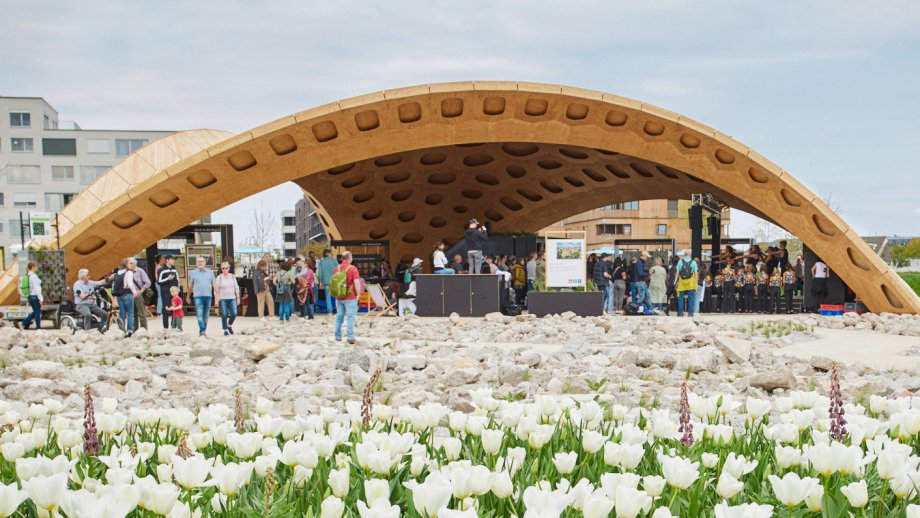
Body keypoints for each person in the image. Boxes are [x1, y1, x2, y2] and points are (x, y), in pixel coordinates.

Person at [332, 251, 361, 344]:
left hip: (339, 297)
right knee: (350, 317)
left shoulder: (336, 269)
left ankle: (337, 336)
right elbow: (356, 282)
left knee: (339, 317)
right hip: (350, 297)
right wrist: (358, 294)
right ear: (349, 258)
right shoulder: (353, 268)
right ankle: (350, 337)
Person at [186, 256, 217, 336]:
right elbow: (191, 285)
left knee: (206, 315)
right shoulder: (193, 273)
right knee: (200, 314)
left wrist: (218, 294)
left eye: (201, 261)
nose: (200, 263)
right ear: (196, 263)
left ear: (205, 262)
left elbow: (214, 283)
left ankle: (202, 331)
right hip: (197, 296)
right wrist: (188, 296)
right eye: (198, 261)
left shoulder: (210, 272)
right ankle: (202, 330)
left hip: (208, 296)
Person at [113, 258, 142, 337]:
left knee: (122, 314)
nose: (131, 264)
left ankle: (122, 331)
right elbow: (129, 283)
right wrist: (135, 292)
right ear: (126, 265)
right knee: (130, 314)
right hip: (127, 294)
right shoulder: (128, 272)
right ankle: (129, 331)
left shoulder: (118, 272)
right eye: (130, 263)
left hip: (119, 296)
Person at [216, 261, 240, 335]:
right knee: (224, 314)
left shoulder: (232, 276)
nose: (224, 270)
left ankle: (229, 325)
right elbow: (216, 289)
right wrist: (216, 300)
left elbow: (236, 287)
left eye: (226, 268)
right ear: (221, 269)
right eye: (223, 268)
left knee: (234, 313)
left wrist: (238, 297)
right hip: (223, 298)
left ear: (229, 268)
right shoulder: (219, 277)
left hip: (232, 298)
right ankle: (225, 329)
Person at [18, 261, 43, 330]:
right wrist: (41, 298)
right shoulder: (33, 276)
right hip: (35, 296)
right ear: (32, 267)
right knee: (37, 312)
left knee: (35, 312)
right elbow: (37, 288)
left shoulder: (27, 276)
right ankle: (38, 328)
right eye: (36, 267)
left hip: (30, 297)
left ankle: (23, 323)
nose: (36, 268)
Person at [157, 255, 179, 329]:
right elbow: (159, 281)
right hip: (165, 292)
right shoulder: (161, 270)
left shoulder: (174, 269)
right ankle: (165, 328)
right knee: (166, 309)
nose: (173, 261)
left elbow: (177, 280)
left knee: (174, 309)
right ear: (167, 260)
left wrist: (178, 289)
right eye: (172, 259)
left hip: (174, 293)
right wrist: (168, 278)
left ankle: (174, 327)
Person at [675, 252, 698, 317]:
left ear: (684, 255)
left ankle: (680, 313)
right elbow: (696, 274)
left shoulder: (680, 261)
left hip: (682, 282)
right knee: (691, 297)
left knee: (680, 297)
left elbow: (677, 272)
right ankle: (690, 313)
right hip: (690, 282)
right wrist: (696, 282)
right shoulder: (693, 262)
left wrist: (675, 281)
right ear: (690, 255)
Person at [317, 249, 339, 315]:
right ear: (328, 254)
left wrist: (320, 281)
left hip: (326, 282)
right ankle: (338, 310)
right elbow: (339, 271)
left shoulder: (321, 262)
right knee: (337, 297)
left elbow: (320, 274)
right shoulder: (334, 261)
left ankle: (330, 312)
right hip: (335, 281)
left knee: (328, 297)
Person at [132, 261, 151, 331]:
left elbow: (148, 282)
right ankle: (135, 329)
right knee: (133, 314)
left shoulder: (140, 271)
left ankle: (143, 330)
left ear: (134, 264)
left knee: (141, 313)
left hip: (138, 294)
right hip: (131, 294)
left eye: (130, 263)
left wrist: (141, 290)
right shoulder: (128, 272)